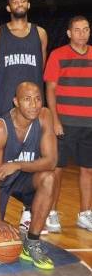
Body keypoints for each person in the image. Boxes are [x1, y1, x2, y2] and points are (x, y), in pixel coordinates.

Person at [0, 82, 57, 270]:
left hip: (22, 177)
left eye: (37, 99)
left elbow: (51, 161)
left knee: (49, 178)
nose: (34, 104)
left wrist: (16, 165)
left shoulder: (44, 116)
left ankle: (32, 242)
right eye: (27, 99)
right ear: (16, 102)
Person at [44, 16, 92, 233]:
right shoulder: (58, 55)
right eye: (77, 30)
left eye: (86, 29)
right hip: (64, 124)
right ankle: (51, 213)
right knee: (57, 171)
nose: (82, 33)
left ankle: (84, 214)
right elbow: (50, 90)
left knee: (88, 171)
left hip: (89, 125)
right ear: (69, 33)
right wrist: (55, 120)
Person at [0, 0, 48, 118]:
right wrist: (3, 92)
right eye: (15, 1)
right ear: (8, 8)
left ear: (28, 5)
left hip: (32, 103)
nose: (19, 4)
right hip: (4, 101)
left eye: (23, 0)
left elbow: (40, 67)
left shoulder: (40, 33)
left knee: (34, 138)